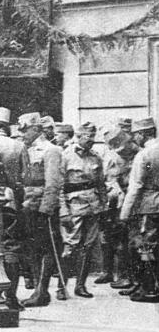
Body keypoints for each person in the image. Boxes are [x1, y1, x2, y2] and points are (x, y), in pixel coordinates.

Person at [18, 112, 64, 307]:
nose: (22, 134)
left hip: (41, 207)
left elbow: (53, 183)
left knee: (45, 248)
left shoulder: (51, 150)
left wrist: (46, 209)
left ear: (36, 129)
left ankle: (42, 290)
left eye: (25, 130)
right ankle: (37, 289)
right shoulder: (24, 149)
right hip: (27, 205)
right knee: (31, 248)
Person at [59, 122, 105, 299]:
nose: (92, 140)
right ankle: (61, 287)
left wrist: (103, 206)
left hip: (93, 207)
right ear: (78, 137)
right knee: (70, 246)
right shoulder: (66, 156)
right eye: (88, 136)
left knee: (88, 246)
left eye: (93, 136)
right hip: (74, 207)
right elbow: (59, 187)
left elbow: (100, 184)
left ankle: (80, 285)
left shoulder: (95, 157)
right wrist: (63, 211)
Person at [0, 107, 30, 310]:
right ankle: (10, 297)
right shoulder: (18, 145)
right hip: (10, 201)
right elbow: (26, 178)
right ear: (7, 126)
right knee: (11, 248)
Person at [120, 117, 159, 302]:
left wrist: (125, 212)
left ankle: (149, 289)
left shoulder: (145, 155)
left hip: (149, 205)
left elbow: (136, 186)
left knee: (146, 248)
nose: (134, 138)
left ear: (143, 134)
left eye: (135, 134)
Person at [97, 126, 137, 289]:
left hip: (130, 202)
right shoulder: (111, 155)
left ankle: (126, 275)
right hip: (113, 201)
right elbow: (108, 179)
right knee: (109, 238)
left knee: (126, 240)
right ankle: (108, 271)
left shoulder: (138, 153)